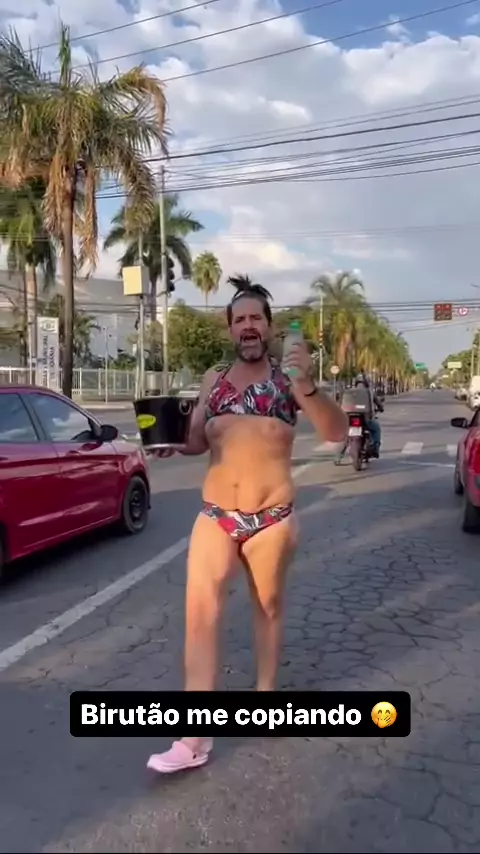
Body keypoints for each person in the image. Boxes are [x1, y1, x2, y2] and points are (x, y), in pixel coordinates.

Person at [147, 274, 348, 774]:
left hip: (272, 518)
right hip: (216, 515)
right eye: (240, 320)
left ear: (270, 327)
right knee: (200, 615)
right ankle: (193, 738)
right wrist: (172, 443)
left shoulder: (289, 379)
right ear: (230, 329)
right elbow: (198, 439)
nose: (249, 326)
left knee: (268, 607)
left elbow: (336, 432)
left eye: (257, 317)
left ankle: (265, 694)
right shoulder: (214, 379)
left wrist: (308, 385)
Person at [336, 373, 383, 462]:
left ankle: (338, 456)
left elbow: (340, 404)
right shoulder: (369, 392)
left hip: (349, 419)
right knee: (376, 429)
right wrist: (381, 408)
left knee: (346, 435)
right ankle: (375, 449)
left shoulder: (349, 391)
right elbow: (378, 404)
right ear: (366, 383)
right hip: (366, 419)